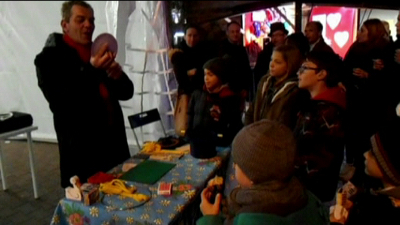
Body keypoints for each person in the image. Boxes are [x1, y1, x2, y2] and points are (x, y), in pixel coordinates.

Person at [34, 1, 134, 188]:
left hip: (114, 150)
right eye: (81, 20)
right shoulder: (49, 60)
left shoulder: (98, 51)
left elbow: (127, 92)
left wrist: (118, 75)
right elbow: (62, 103)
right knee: (90, 213)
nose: (88, 25)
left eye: (91, 20)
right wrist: (92, 68)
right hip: (82, 157)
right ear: (65, 25)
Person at [197, 120, 329, 225]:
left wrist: (210, 219)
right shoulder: (305, 196)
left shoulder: (250, 220)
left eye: (238, 163)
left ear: (254, 175)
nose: (234, 166)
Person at [294, 51, 346, 203]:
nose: (299, 72)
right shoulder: (315, 106)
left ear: (321, 74)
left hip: (312, 192)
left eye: (304, 68)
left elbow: (320, 158)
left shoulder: (327, 111)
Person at [330, 117, 400, 224]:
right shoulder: (378, 191)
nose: (365, 154)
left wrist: (337, 223)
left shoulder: (387, 215)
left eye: (373, 154)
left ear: (388, 167)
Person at [245, 44, 308, 130]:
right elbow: (252, 110)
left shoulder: (294, 89)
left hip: (275, 138)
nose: (271, 64)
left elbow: (286, 122)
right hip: (255, 135)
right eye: (271, 60)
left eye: (278, 62)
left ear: (289, 65)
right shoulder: (265, 82)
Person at [187, 57, 243, 152]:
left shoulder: (230, 98)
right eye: (205, 74)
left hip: (219, 145)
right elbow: (190, 114)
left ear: (220, 77)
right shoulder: (198, 93)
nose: (206, 78)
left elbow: (234, 124)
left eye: (211, 75)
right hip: (196, 143)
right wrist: (189, 134)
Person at [254, 22, 288, 87]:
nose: (275, 38)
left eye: (278, 35)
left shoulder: (289, 52)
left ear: (284, 36)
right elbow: (259, 74)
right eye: (273, 36)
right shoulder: (264, 54)